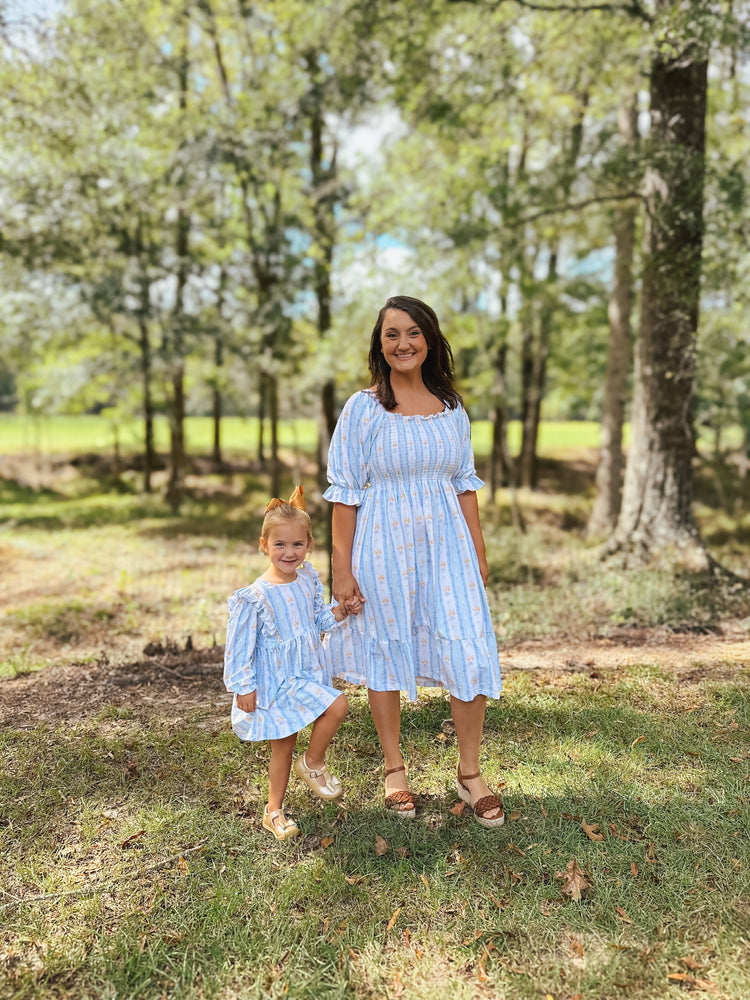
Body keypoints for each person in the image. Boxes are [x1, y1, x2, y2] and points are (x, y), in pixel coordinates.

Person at [322, 295, 504, 828]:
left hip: (447, 543)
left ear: (430, 340)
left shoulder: (452, 407)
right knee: (385, 645)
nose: (403, 344)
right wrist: (342, 569)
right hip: (381, 542)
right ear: (380, 345)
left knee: (467, 643)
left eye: (413, 333)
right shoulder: (364, 408)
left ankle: (470, 775)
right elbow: (345, 493)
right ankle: (394, 769)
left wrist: (478, 550)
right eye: (391, 335)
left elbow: (464, 485)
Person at [224, 486, 349, 841]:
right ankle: (274, 811)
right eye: (280, 545)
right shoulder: (255, 597)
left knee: (336, 705)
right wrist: (243, 686)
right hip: (275, 681)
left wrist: (339, 612)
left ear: (308, 545)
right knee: (283, 744)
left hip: (305, 672)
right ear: (264, 545)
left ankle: (311, 763)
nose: (289, 552)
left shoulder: (308, 578)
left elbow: (316, 620)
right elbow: (238, 647)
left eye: (297, 544)